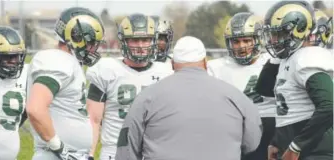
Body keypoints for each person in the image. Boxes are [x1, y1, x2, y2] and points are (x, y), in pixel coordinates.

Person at [115, 36, 262, 160]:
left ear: (172, 64)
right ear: (205, 62)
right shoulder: (235, 96)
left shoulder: (147, 96)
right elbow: (252, 142)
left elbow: (126, 147)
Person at [86, 13, 173, 160]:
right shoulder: (107, 70)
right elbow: (93, 119)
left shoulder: (166, 72)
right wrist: (89, 155)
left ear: (153, 40)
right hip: (114, 152)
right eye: (134, 40)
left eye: (145, 40)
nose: (140, 45)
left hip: (153, 151)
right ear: (123, 41)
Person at [256, 1, 333, 160]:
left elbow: (329, 105)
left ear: (298, 31)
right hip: (298, 149)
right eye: (272, 34)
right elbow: (267, 90)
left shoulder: (307, 57)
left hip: (316, 151)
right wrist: (277, 142)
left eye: (278, 34)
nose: (272, 40)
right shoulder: (290, 58)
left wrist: (296, 146)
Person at [26, 7, 105, 160]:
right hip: (55, 155)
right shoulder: (58, 60)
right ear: (76, 38)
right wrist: (59, 148)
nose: (93, 48)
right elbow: (35, 109)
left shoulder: (69, 62)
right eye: (91, 43)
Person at [207, 12, 276, 160]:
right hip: (234, 131)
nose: (241, 46)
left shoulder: (272, 61)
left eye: (246, 40)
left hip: (269, 130)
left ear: (258, 39)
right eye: (236, 42)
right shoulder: (216, 67)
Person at [0, 26, 28, 160]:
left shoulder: (27, 75)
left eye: (17, 56)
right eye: (7, 57)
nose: (14, 62)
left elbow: (28, 111)